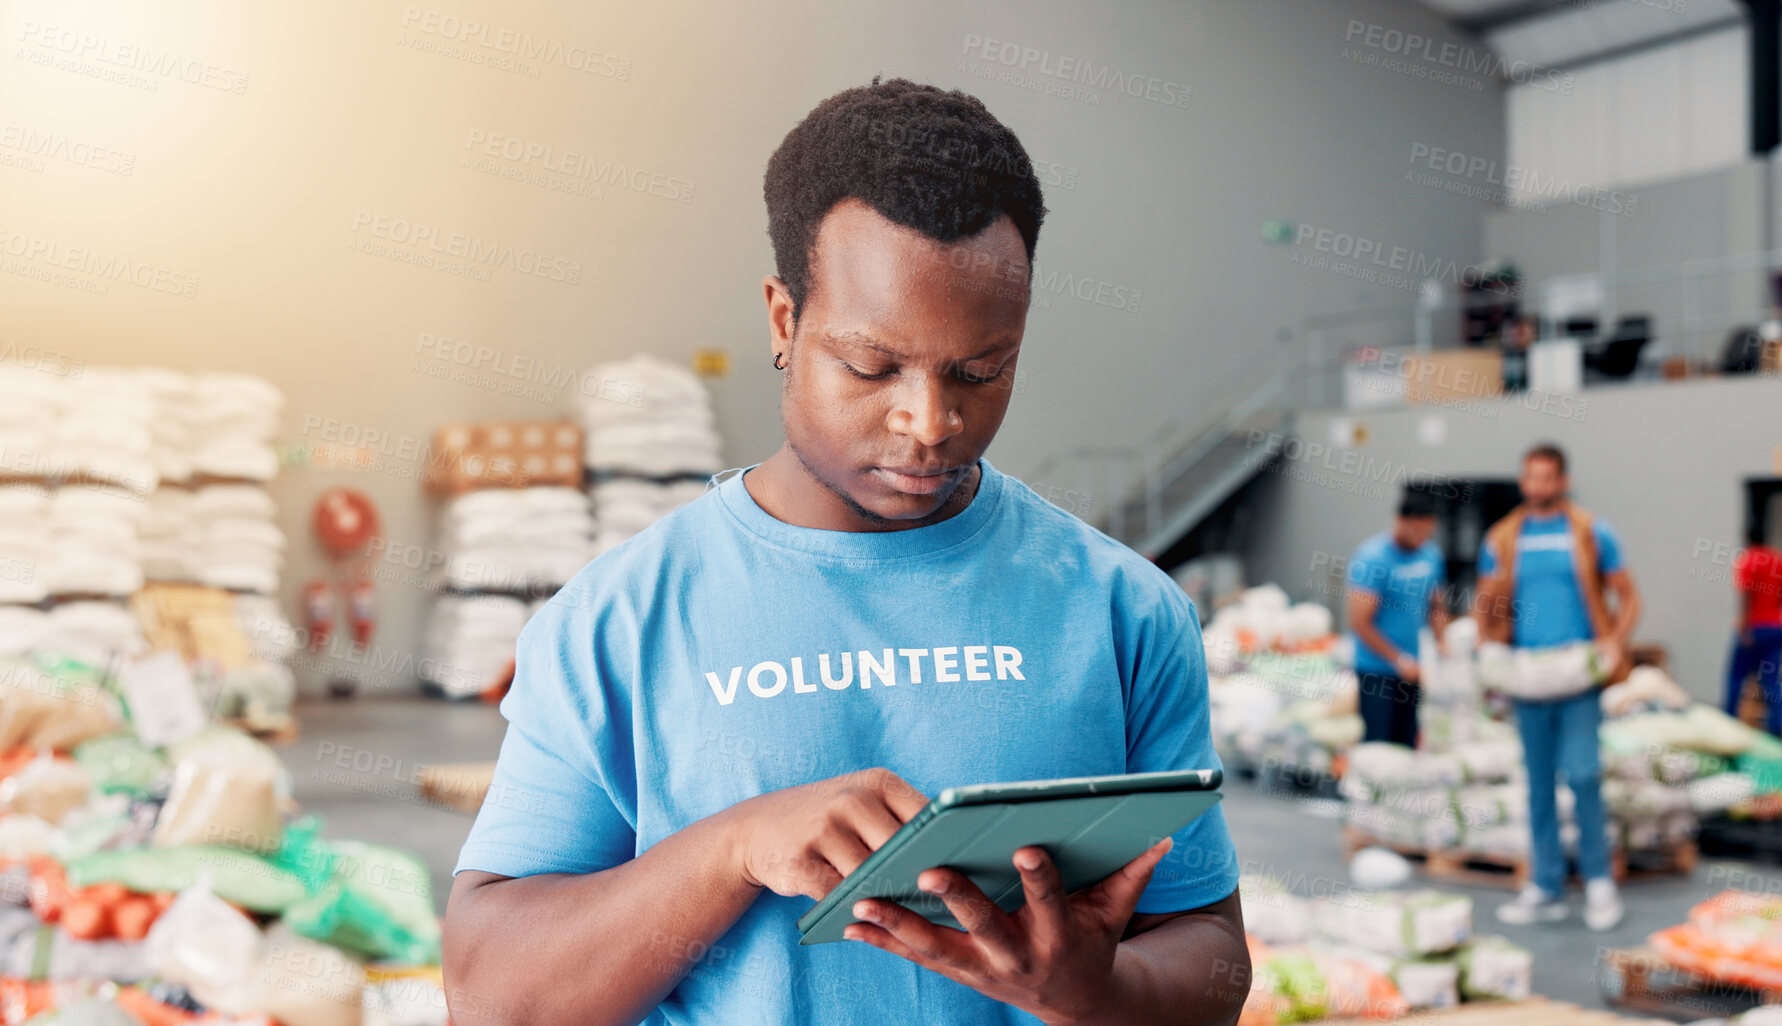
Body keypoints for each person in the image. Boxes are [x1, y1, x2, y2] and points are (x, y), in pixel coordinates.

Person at [442, 79, 1246, 1026]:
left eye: (981, 371)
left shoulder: (1121, 611)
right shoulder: (618, 620)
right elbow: (495, 998)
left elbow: (1213, 956)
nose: (930, 422)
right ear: (784, 322)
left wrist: (1099, 992)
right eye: (872, 367)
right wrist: (730, 848)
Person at [1473, 443, 1640, 932]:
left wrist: (1614, 643)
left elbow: (1628, 598)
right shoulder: (1503, 537)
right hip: (1527, 677)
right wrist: (1487, 649)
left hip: (1578, 674)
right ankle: (1545, 884)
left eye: (1547, 478)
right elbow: (1485, 604)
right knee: (1538, 784)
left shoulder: (1589, 531)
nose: (1538, 487)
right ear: (1523, 482)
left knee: (1585, 775)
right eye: (1530, 478)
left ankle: (1599, 880)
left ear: (1563, 481)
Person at [1345, 490, 1448, 746]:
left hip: (1412, 668)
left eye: (1426, 532)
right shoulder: (1372, 558)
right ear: (1399, 521)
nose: (1419, 538)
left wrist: (1441, 640)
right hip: (1377, 670)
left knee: (1407, 741)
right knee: (1380, 741)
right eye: (1414, 531)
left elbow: (1436, 604)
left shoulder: (1430, 555)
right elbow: (1359, 622)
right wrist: (1397, 659)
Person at [1724, 522, 1782, 737]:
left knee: (1736, 678)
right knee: (1773, 680)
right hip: (1777, 626)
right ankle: (1777, 728)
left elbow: (1746, 596)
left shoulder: (1747, 561)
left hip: (1754, 628)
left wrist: (1745, 628)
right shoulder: (1780, 561)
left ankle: (1728, 724)